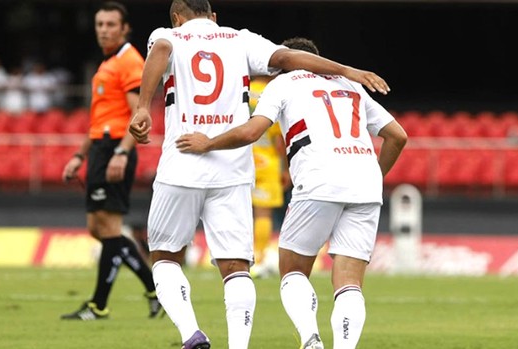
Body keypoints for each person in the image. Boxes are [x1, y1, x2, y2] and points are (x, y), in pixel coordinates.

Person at [128, 1, 389, 348]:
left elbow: (161, 49)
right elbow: (288, 59)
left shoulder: (168, 35)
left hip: (183, 161)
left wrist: (144, 105)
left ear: (177, 17)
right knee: (236, 267)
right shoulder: (242, 39)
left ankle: (191, 333)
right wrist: (347, 70)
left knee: (163, 256)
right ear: (214, 16)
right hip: (234, 171)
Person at [175, 37, 407, 349]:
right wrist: (373, 177)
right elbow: (397, 136)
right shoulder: (350, 85)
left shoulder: (282, 84)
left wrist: (208, 143)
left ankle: (311, 339)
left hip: (319, 179)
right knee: (349, 284)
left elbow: (252, 131)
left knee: (293, 271)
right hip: (364, 184)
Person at [60, 1, 163, 321]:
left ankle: (98, 306)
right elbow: (100, 118)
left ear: (125, 28)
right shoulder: (107, 65)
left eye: (110, 24)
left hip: (116, 149)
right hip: (103, 147)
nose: (103, 30)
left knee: (109, 229)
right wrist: (80, 155)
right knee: (100, 228)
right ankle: (154, 290)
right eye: (99, 24)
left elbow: (138, 114)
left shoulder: (129, 61)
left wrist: (122, 152)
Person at [248, 75, 291, 278]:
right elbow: (278, 138)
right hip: (266, 162)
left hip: (239, 158)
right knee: (262, 213)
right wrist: (286, 168)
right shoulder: (272, 94)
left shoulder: (242, 89)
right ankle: (258, 258)